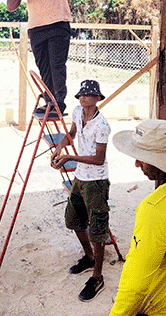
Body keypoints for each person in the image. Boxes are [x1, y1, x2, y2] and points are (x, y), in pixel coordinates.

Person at [109, 119, 166, 316]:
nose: (136, 163)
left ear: (157, 161)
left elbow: (135, 285)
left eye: (141, 157)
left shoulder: (155, 209)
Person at [51, 80, 111, 302]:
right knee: (73, 219)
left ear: (97, 99)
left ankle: (97, 277)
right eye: (81, 95)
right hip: (80, 178)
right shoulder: (77, 112)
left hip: (96, 181)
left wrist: (70, 157)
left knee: (97, 228)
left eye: (88, 95)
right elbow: (72, 133)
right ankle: (88, 256)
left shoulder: (102, 125)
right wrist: (59, 148)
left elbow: (99, 159)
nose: (83, 99)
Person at [7, 0, 84, 118]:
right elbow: (11, 6)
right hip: (36, 28)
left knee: (56, 65)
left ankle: (58, 104)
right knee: (44, 68)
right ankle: (50, 101)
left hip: (58, 22)